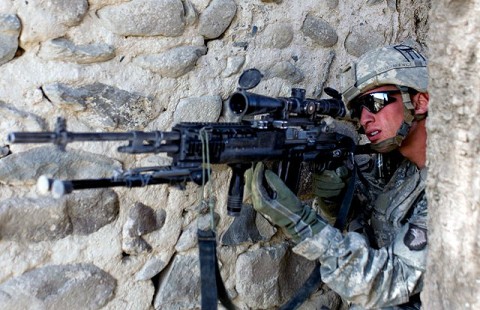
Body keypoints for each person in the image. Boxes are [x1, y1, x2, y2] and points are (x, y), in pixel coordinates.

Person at [245, 44, 429, 309]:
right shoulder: (409, 167)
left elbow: (391, 282)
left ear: (421, 102)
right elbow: (383, 226)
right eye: (359, 110)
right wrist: (339, 202)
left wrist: (302, 223)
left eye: (375, 103)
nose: (365, 119)